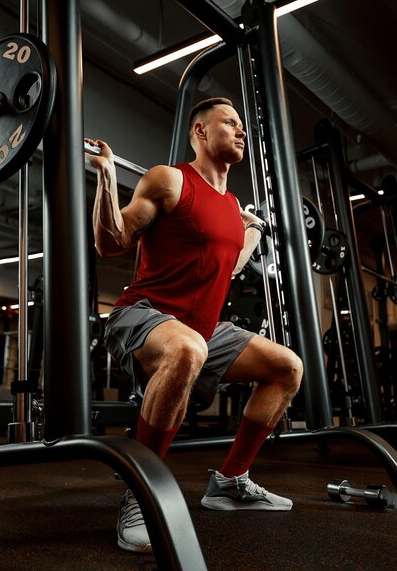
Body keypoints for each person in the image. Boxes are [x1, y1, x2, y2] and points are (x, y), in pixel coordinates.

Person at [85, 97, 303, 554]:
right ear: (201, 132)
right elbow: (112, 242)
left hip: (200, 330)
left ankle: (229, 482)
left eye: (244, 127)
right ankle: (140, 493)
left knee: (287, 367)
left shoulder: (231, 204)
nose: (242, 132)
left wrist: (252, 230)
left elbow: (230, 265)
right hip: (141, 315)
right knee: (187, 349)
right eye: (231, 123)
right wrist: (106, 175)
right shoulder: (170, 180)